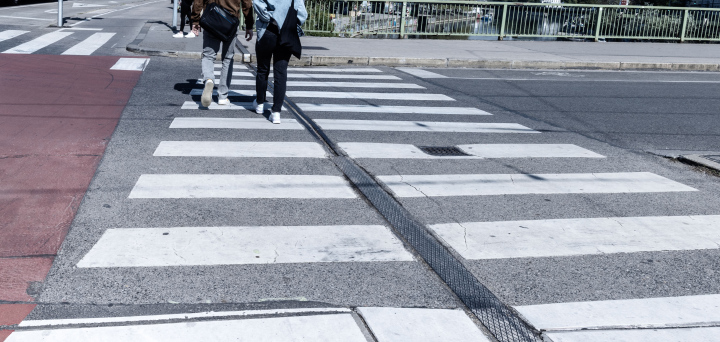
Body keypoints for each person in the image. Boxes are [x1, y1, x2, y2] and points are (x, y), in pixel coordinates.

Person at [253, 0, 307, 124]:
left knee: (262, 69)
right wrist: (288, 22)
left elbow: (256, 3)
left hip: (267, 30)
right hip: (286, 32)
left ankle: (260, 103)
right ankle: (276, 112)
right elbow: (302, 14)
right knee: (281, 73)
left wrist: (270, 18)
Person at [192, 0, 254, 107]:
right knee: (227, 59)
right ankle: (222, 96)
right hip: (230, 22)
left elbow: (198, 1)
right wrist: (249, 25)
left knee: (208, 56)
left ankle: (209, 79)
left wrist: (195, 20)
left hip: (211, 17)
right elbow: (247, 4)